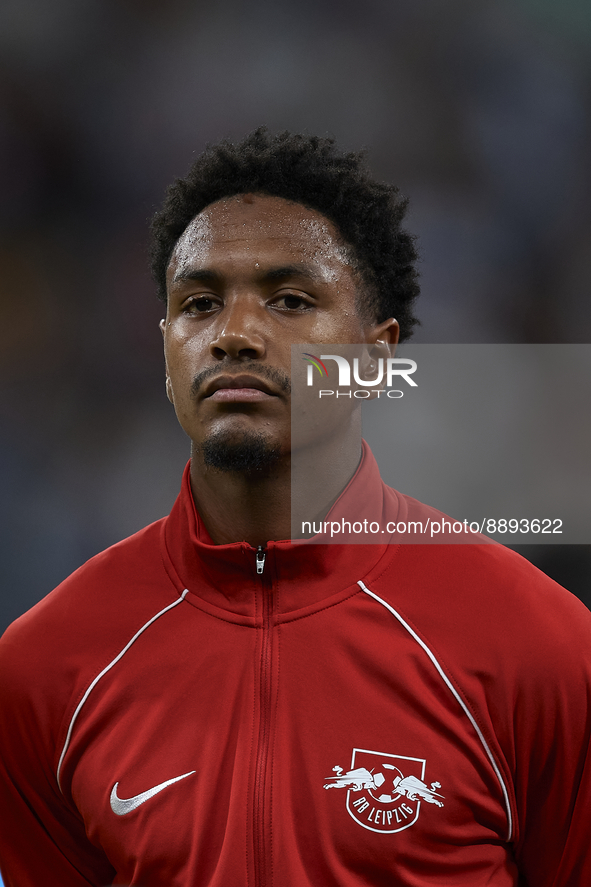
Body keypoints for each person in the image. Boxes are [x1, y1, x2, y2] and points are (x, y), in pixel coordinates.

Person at [0, 129, 590, 887]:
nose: (236, 335)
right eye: (200, 303)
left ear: (376, 358)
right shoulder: (44, 668)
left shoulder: (540, 647)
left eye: (289, 299)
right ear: (166, 348)